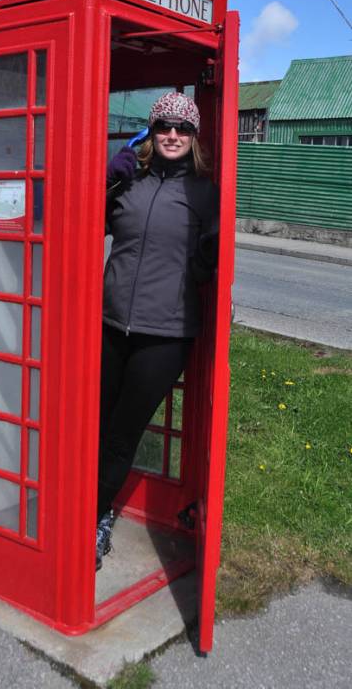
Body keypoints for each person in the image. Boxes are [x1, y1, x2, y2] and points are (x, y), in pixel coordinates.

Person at [96, 92, 219, 570]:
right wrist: (106, 180)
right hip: (109, 323)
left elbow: (214, 261)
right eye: (164, 126)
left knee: (123, 433)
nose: (173, 135)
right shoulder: (130, 183)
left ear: (193, 138)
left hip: (165, 334)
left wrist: (209, 264)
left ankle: (95, 518)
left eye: (183, 129)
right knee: (94, 426)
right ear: (151, 132)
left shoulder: (206, 193)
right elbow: (72, 222)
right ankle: (82, 509)